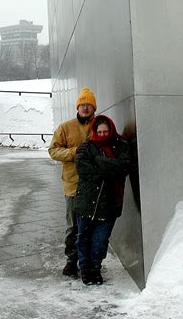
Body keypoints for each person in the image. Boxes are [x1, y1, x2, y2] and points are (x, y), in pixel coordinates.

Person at [74, 115, 130, 285]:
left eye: (106, 131)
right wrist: (107, 170)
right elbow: (83, 169)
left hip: (110, 204)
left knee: (100, 241)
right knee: (83, 239)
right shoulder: (85, 147)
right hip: (86, 202)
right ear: (95, 131)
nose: (103, 134)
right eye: (100, 131)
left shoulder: (121, 146)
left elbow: (123, 168)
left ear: (111, 129)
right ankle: (85, 269)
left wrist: (97, 160)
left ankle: (95, 268)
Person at [48, 87, 97, 276]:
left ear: (94, 108)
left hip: (95, 185)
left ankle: (90, 260)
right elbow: (53, 150)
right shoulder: (65, 127)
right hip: (73, 185)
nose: (85, 108)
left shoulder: (100, 125)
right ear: (77, 107)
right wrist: (73, 152)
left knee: (91, 226)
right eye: (82, 104)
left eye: (89, 105)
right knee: (73, 226)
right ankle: (72, 258)